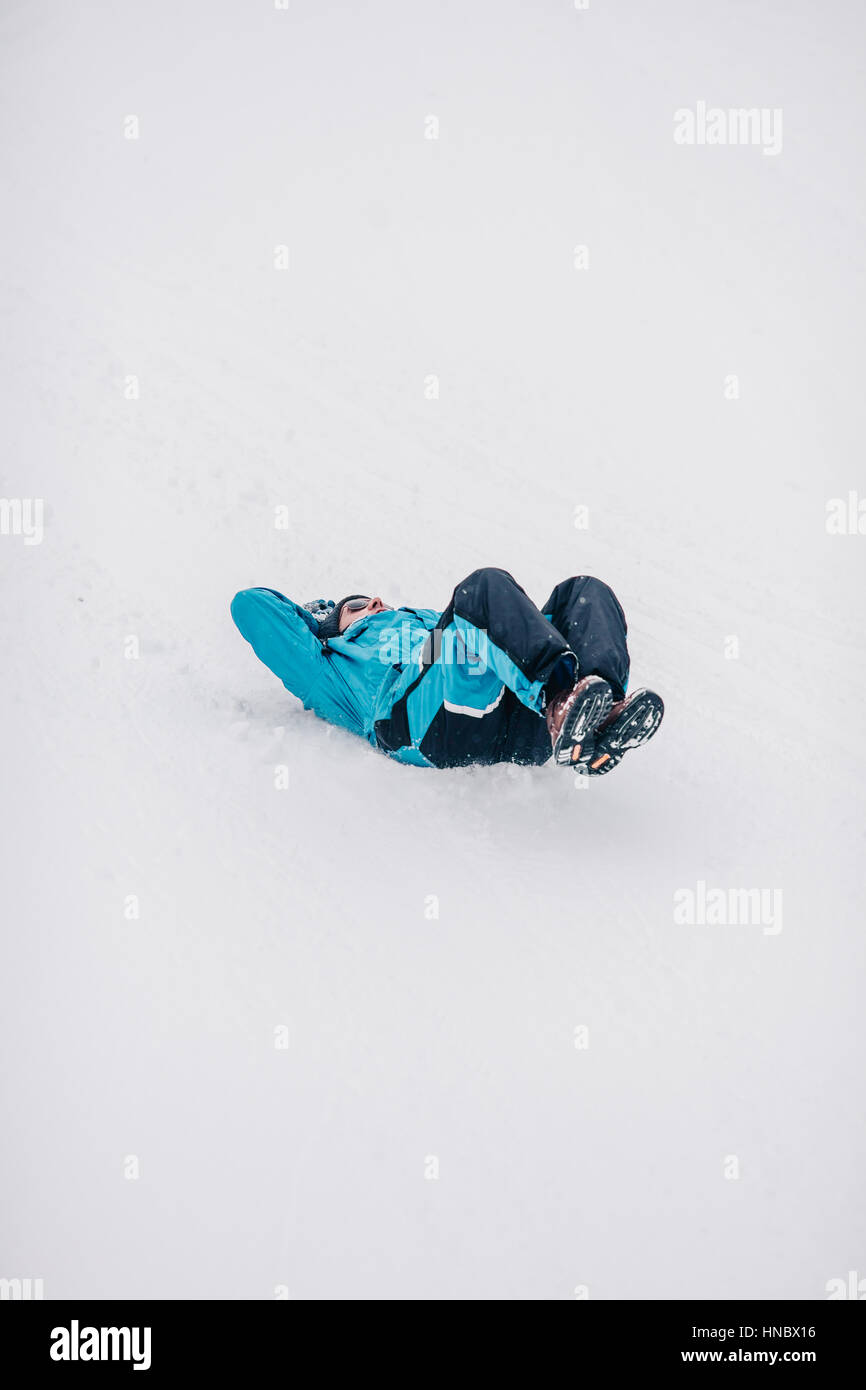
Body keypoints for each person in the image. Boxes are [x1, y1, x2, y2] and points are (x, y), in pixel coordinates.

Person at [230, 567, 663, 773]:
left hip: (510, 719)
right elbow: (250, 606)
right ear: (332, 631)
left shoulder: (424, 624)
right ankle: (560, 702)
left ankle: (597, 714)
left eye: (377, 599)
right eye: (359, 606)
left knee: (583, 592)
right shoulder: (331, 670)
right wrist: (317, 624)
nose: (377, 604)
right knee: (481, 587)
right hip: (425, 725)